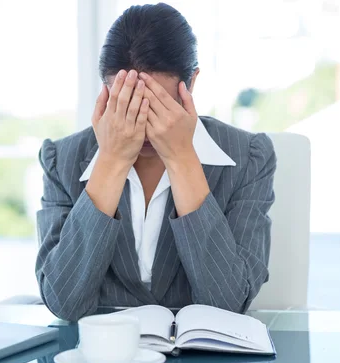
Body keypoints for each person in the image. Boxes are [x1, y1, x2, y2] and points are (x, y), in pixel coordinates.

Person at [36, 3, 276, 322]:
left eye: (159, 105)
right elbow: (63, 303)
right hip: (100, 360)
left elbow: (227, 304)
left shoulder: (248, 157)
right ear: (106, 93)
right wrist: (111, 159)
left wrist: (181, 158)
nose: (142, 122)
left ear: (190, 85)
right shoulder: (61, 159)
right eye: (128, 103)